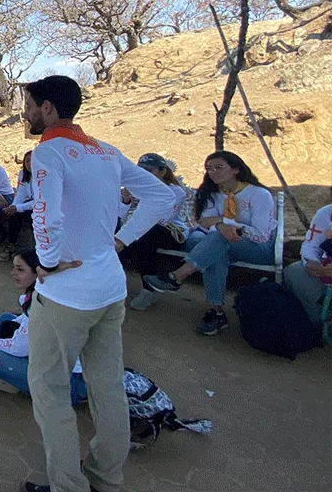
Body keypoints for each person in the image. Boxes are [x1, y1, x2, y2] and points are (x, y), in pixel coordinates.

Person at [20, 75, 174, 492]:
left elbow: (45, 215)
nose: (25, 112)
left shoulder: (48, 152)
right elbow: (164, 197)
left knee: (49, 390)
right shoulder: (107, 152)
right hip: (110, 288)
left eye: (30, 104)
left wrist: (47, 264)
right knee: (106, 387)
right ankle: (105, 478)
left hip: (67, 295)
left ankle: (68, 486)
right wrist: (120, 240)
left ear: (48, 107)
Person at [143, 151, 278, 335]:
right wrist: (223, 227)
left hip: (257, 248)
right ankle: (216, 312)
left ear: (236, 169)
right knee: (217, 251)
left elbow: (261, 235)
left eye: (219, 167)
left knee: (218, 239)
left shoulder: (258, 195)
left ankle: (176, 277)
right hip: (223, 244)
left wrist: (225, 224)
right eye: (209, 168)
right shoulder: (213, 194)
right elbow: (206, 223)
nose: (213, 172)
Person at [0, 249, 88, 404]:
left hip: (69, 382)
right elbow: (23, 321)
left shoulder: (41, 302)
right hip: (54, 360)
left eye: (20, 269)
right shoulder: (46, 290)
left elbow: (19, 347)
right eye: (13, 267)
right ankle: (4, 360)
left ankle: (10, 381)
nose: (13, 273)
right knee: (6, 319)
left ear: (37, 272)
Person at [118, 153, 191, 311]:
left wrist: (144, 203)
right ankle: (146, 288)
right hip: (140, 233)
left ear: (163, 172)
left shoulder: (175, 191)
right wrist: (125, 201)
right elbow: (119, 215)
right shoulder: (136, 188)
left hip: (170, 232)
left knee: (147, 235)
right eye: (141, 170)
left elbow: (164, 219)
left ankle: (121, 270)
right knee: (140, 239)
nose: (144, 175)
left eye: (149, 171)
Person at [283, 186, 332, 327]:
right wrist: (312, 262)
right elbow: (311, 245)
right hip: (326, 272)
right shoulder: (326, 213)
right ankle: (317, 322)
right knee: (295, 272)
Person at [1, 151, 36, 260]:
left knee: (34, 218)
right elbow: (21, 193)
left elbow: (40, 201)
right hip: (28, 204)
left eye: (33, 160)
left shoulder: (44, 176)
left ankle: (38, 249)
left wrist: (18, 207)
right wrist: (13, 206)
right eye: (27, 161)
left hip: (41, 207)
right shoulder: (22, 174)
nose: (29, 164)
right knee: (14, 215)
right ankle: (11, 245)